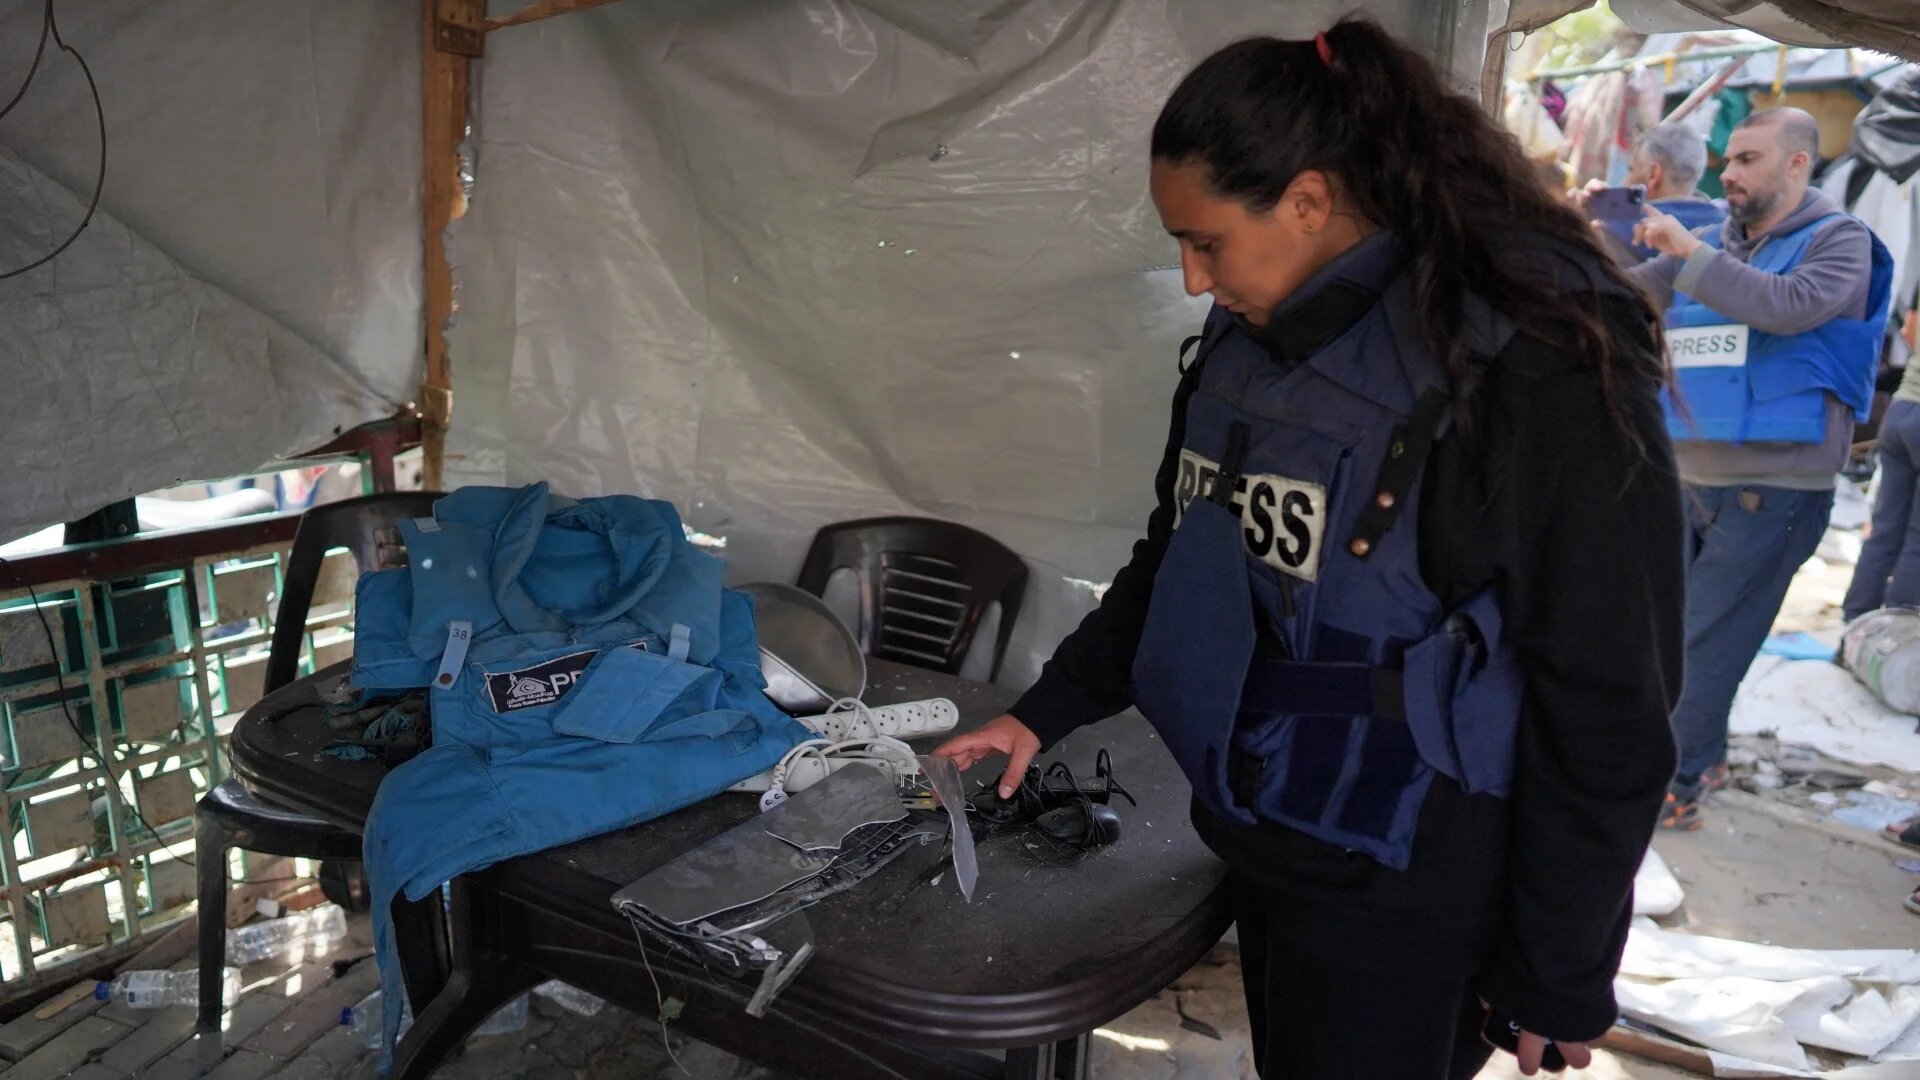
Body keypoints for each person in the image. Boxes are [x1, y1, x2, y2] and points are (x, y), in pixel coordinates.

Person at [934, 19, 1683, 1079]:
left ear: (1310, 201)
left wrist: (1558, 969)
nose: (1194, 281)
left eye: (1207, 242)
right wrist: (1039, 714)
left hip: (1416, 881)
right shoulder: (1252, 344)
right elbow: (1178, 560)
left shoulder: (1532, 364)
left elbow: (1612, 700)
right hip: (1270, 831)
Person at [1628, 108, 1893, 831]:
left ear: (1798, 164)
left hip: (1771, 493)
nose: (1730, 173)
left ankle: (1677, 786)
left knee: (1706, 647)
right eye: (1729, 160)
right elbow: (1628, 293)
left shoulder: (1842, 244)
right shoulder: (1714, 239)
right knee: (1659, 638)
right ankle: (1684, 759)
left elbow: (1786, 306)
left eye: (1747, 158)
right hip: (1687, 476)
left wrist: (1690, 254)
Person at [1584, 123, 1725, 263]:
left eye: (1631, 169)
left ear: (1653, 174)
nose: (1624, 181)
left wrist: (1578, 215)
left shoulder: (1619, 227)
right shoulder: (1725, 227)